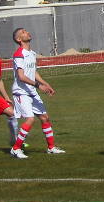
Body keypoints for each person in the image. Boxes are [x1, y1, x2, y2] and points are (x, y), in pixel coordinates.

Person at [9, 28, 65, 159]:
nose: (27, 32)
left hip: (31, 91)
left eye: (26, 31)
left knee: (45, 118)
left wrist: (46, 84)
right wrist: (39, 86)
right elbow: (21, 76)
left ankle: (51, 148)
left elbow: (33, 72)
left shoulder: (32, 53)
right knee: (30, 119)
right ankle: (15, 149)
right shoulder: (19, 54)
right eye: (23, 32)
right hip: (21, 92)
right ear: (19, 39)